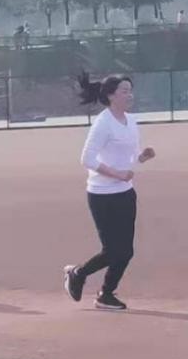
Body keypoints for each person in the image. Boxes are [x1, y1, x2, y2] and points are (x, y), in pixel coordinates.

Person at [63, 73, 155, 311]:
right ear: (111, 95)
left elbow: (130, 157)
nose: (129, 95)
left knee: (126, 251)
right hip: (102, 195)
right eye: (124, 91)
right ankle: (78, 273)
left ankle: (106, 294)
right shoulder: (103, 123)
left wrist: (142, 157)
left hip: (125, 193)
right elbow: (87, 159)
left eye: (130, 90)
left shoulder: (131, 121)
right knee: (113, 250)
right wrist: (117, 174)